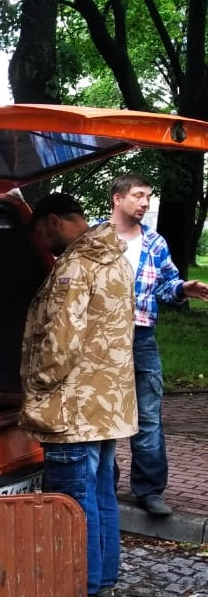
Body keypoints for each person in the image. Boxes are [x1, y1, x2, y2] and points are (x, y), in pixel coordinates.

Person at [20, 193, 137, 597]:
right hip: (109, 405)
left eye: (38, 233)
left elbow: (60, 345)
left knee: (72, 503)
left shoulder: (74, 265)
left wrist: (36, 384)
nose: (40, 243)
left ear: (52, 222)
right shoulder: (115, 258)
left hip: (74, 410)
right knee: (102, 494)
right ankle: (103, 584)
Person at [109, 175, 208, 516]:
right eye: (139, 196)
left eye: (148, 197)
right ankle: (104, 484)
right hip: (101, 340)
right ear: (117, 198)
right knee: (102, 412)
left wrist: (183, 289)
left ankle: (149, 491)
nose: (145, 203)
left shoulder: (154, 242)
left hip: (142, 338)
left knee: (148, 417)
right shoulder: (95, 236)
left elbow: (166, 285)